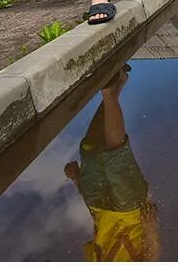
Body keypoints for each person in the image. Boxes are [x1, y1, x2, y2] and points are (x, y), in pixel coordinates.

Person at [64, 65, 161, 261]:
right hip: (130, 213)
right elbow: (152, 257)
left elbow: (98, 232)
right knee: (116, 153)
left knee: (91, 146)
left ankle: (117, 82)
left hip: (97, 205)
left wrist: (77, 182)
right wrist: (151, 230)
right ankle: (109, 90)